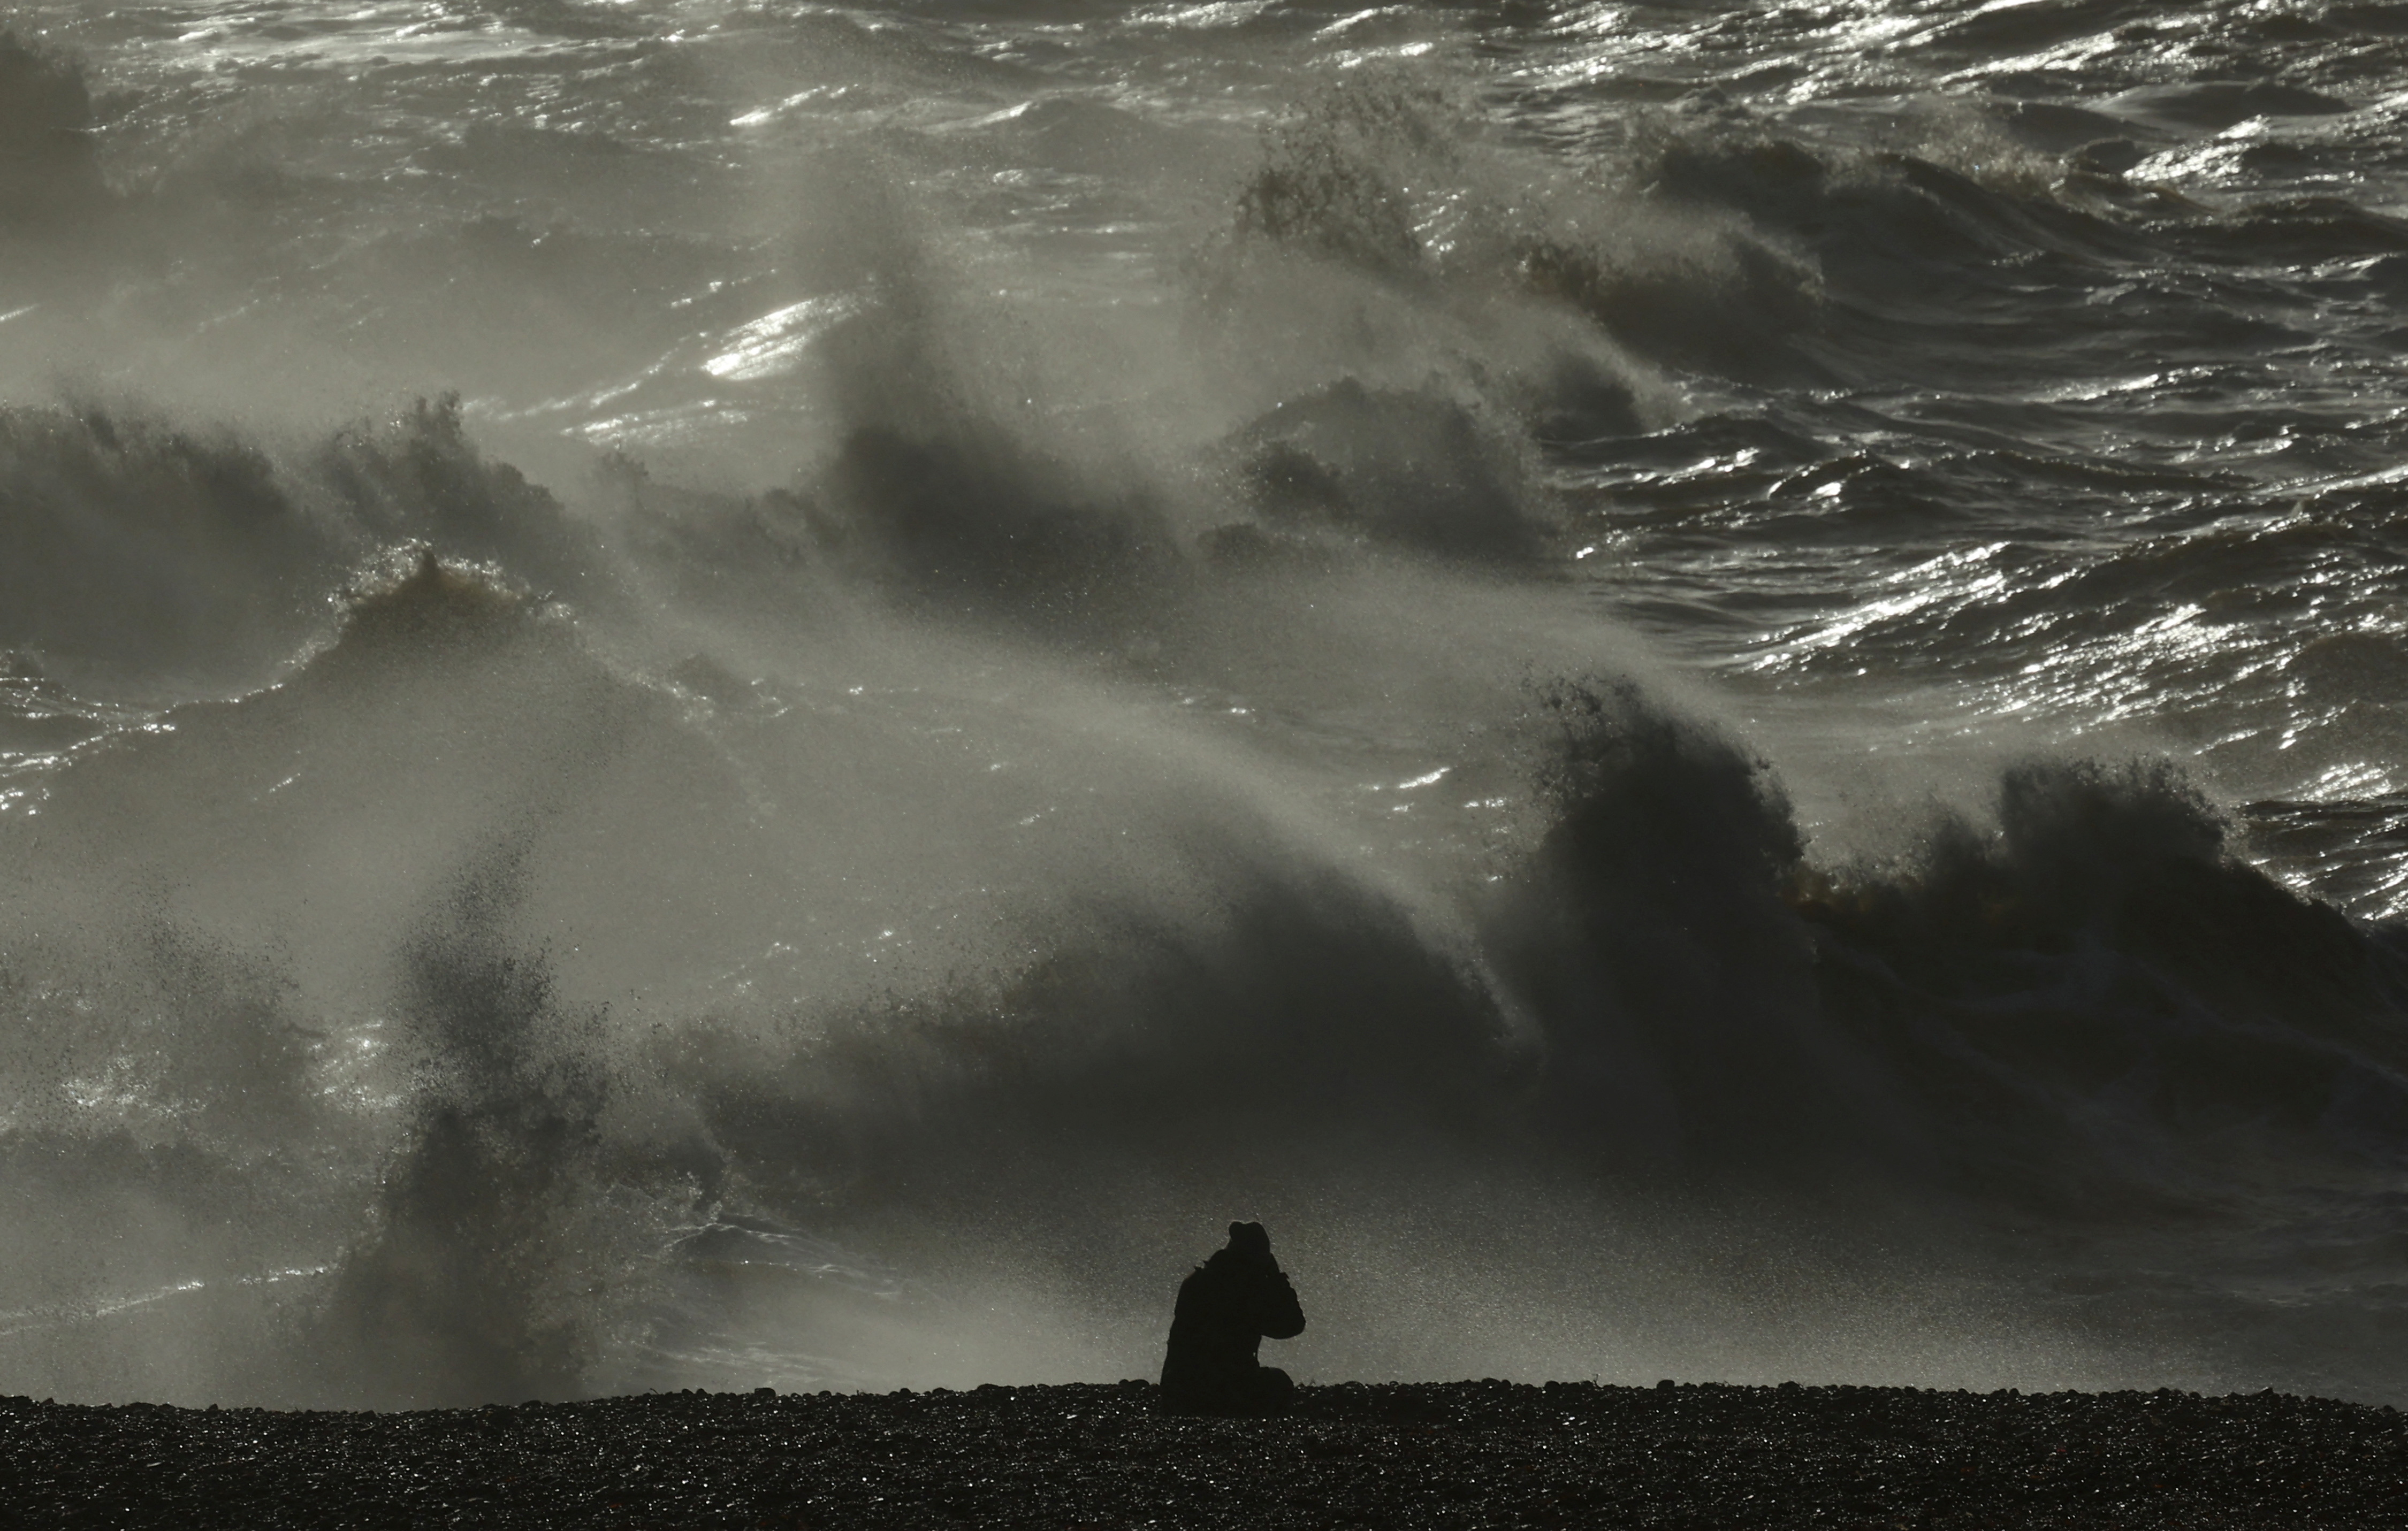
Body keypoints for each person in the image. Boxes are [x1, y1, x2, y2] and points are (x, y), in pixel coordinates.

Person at [1159, 1220, 1306, 1415]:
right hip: (1223, 1390)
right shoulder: (1246, 1291)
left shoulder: (1198, 1281)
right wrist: (1277, 1279)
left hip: (1178, 1389)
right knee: (1280, 1382)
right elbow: (1293, 1325)